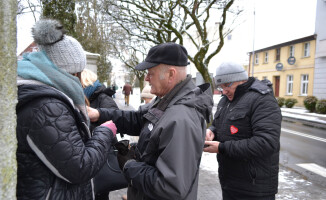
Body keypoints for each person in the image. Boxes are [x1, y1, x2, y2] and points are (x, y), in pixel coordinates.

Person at [87, 42, 213, 200]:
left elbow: (170, 186)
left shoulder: (181, 119)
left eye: (150, 73)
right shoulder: (166, 100)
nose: (146, 78)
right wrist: (99, 114)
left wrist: (130, 165)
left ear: (171, 74)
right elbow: (138, 119)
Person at [16, 19, 117, 200]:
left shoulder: (43, 97)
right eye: (78, 73)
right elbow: (80, 167)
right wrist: (105, 132)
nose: (79, 80)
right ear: (69, 72)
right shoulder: (46, 107)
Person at [203, 61, 282, 200]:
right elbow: (218, 124)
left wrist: (222, 148)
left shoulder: (262, 99)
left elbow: (266, 143)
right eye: (221, 86)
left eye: (228, 85)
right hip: (230, 182)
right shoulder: (225, 100)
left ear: (242, 79)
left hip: (255, 187)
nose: (224, 90)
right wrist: (212, 131)